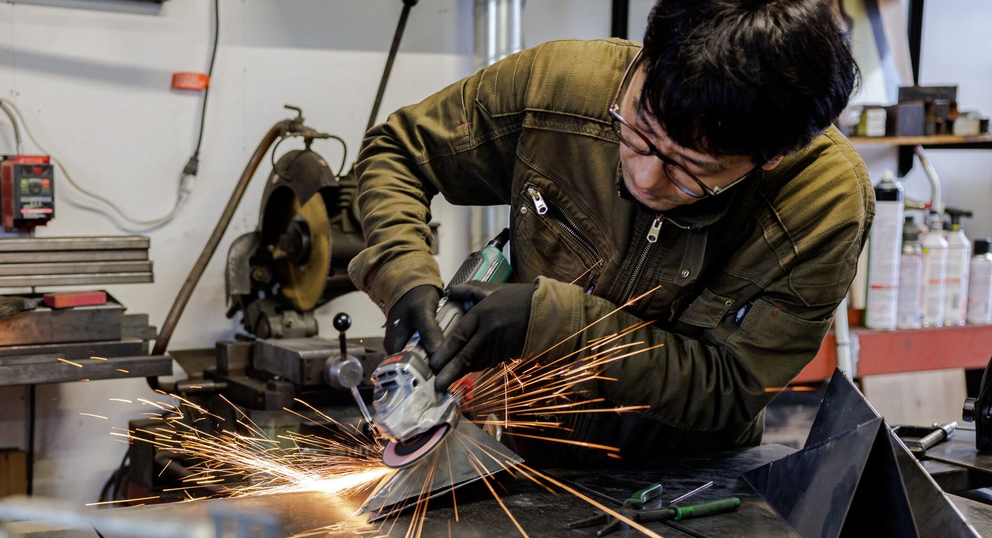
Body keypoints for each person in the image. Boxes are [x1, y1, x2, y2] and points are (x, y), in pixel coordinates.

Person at [348, 0, 874, 460]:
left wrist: (554, 325)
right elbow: (399, 153)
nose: (644, 178)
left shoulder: (823, 203)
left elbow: (732, 387)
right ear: (644, 60)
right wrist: (404, 278)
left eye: (689, 171)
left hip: (680, 483)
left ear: (771, 157)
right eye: (638, 133)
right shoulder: (562, 83)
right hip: (513, 449)